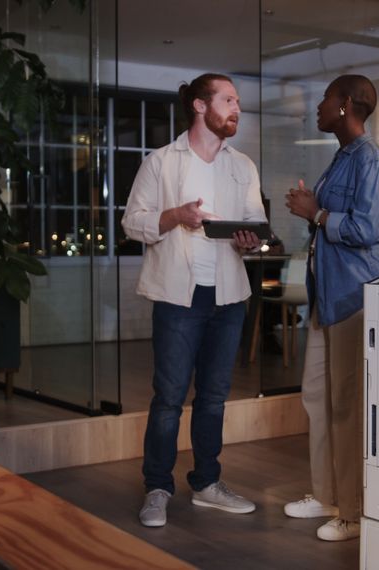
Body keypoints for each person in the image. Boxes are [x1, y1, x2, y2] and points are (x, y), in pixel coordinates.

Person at [121, 73, 266, 528]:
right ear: (201, 106)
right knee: (168, 398)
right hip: (178, 297)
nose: (237, 108)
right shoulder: (161, 162)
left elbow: (257, 226)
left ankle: (206, 483)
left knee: (214, 398)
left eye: (237, 101)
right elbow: (132, 222)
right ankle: (157, 488)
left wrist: (251, 242)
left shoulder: (242, 165)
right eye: (228, 100)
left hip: (229, 296)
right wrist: (175, 216)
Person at [283, 74, 379, 541]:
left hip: (355, 296)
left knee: (347, 406)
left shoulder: (369, 159)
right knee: (317, 398)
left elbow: (367, 230)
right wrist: (312, 211)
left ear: (345, 104)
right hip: (327, 296)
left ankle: (352, 512)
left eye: (326, 98)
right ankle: (327, 493)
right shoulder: (342, 156)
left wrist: (315, 213)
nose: (319, 105)